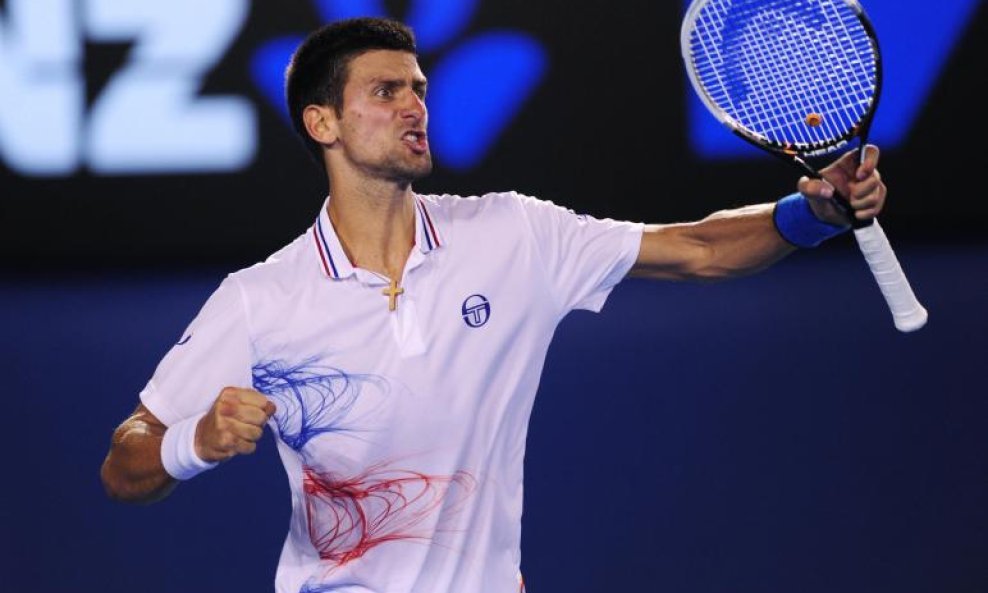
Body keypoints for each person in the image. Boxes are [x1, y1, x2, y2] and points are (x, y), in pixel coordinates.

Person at [100, 17, 886, 593]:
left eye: (419, 88)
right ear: (323, 122)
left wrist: (808, 215)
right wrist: (195, 440)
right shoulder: (261, 298)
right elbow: (126, 458)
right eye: (385, 91)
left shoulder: (512, 233)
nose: (415, 106)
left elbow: (699, 248)